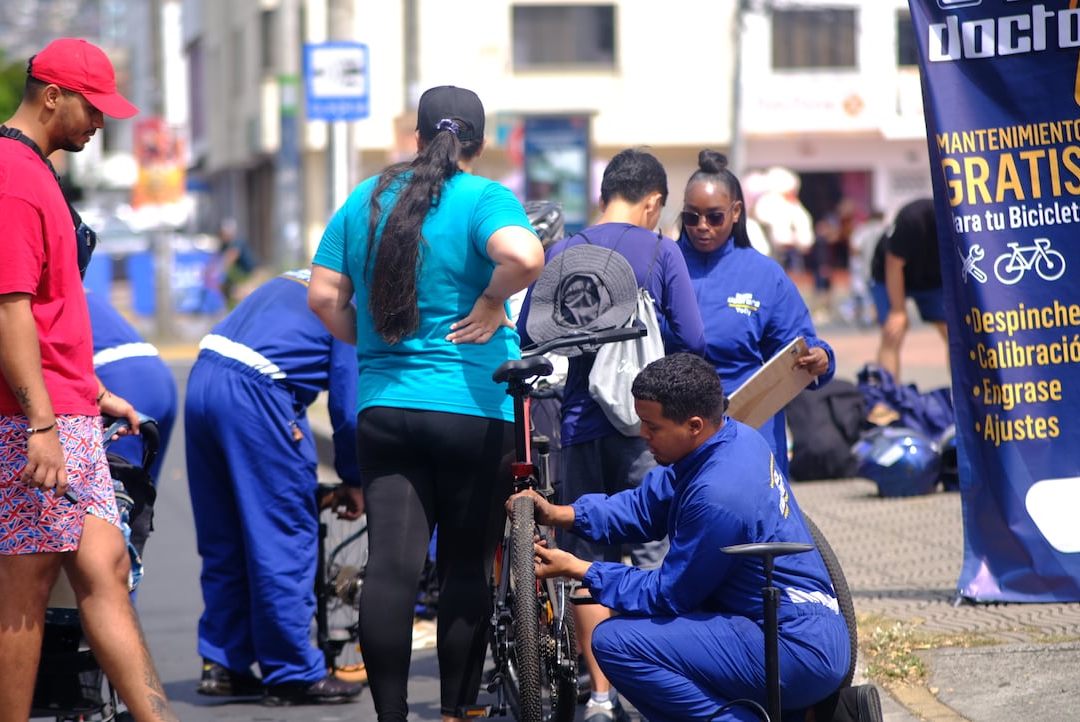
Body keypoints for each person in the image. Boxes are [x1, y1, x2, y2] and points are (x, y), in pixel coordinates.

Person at [0, 38, 177, 722]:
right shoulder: (9, 178)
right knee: (25, 582)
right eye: (93, 108)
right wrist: (43, 424)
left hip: (56, 406)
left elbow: (42, 309)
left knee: (103, 567)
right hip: (22, 416)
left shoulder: (27, 166)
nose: (101, 122)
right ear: (52, 95)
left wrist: (90, 393)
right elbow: (8, 310)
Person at [308, 85, 545, 722]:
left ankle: (391, 716)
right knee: (466, 568)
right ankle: (456, 709)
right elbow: (524, 256)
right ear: (479, 142)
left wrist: (372, 340)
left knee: (392, 567)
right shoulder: (484, 198)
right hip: (469, 409)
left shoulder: (365, 199)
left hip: (385, 410)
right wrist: (492, 302)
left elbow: (323, 297)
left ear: (415, 137)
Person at [508, 353, 849, 722]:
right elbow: (646, 506)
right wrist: (562, 514)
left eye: (652, 427)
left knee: (616, 643)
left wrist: (580, 569)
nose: (643, 435)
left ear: (694, 425)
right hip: (801, 628)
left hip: (793, 649)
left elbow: (670, 594)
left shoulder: (719, 495)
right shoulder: (731, 440)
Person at [517, 148, 706, 722]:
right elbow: (694, 339)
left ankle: (600, 696)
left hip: (577, 427)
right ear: (653, 202)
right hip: (647, 430)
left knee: (585, 558)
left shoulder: (566, 252)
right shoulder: (661, 250)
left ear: (604, 194)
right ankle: (651, 690)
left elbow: (530, 331)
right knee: (651, 553)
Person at [186, 268, 364, 706]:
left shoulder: (298, 277)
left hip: (204, 378)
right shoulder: (351, 303)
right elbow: (349, 410)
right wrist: (355, 479)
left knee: (225, 534)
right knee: (282, 534)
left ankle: (224, 662)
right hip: (257, 394)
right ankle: (292, 672)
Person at [677, 149, 834, 479]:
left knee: (760, 527)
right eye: (691, 217)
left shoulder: (765, 274)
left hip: (751, 426)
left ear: (736, 212)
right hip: (677, 431)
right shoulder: (663, 266)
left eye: (714, 216)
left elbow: (802, 343)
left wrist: (821, 358)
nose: (701, 227)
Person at [85, 289, 177, 482]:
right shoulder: (77, 286)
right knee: (141, 498)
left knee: (113, 501)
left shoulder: (28, 292)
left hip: (117, 378)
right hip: (156, 372)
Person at [870, 197, 948, 383]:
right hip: (890, 273)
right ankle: (888, 399)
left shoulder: (963, 219)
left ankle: (967, 399)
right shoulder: (912, 218)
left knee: (954, 334)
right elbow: (894, 264)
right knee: (893, 333)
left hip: (932, 279)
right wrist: (898, 311)